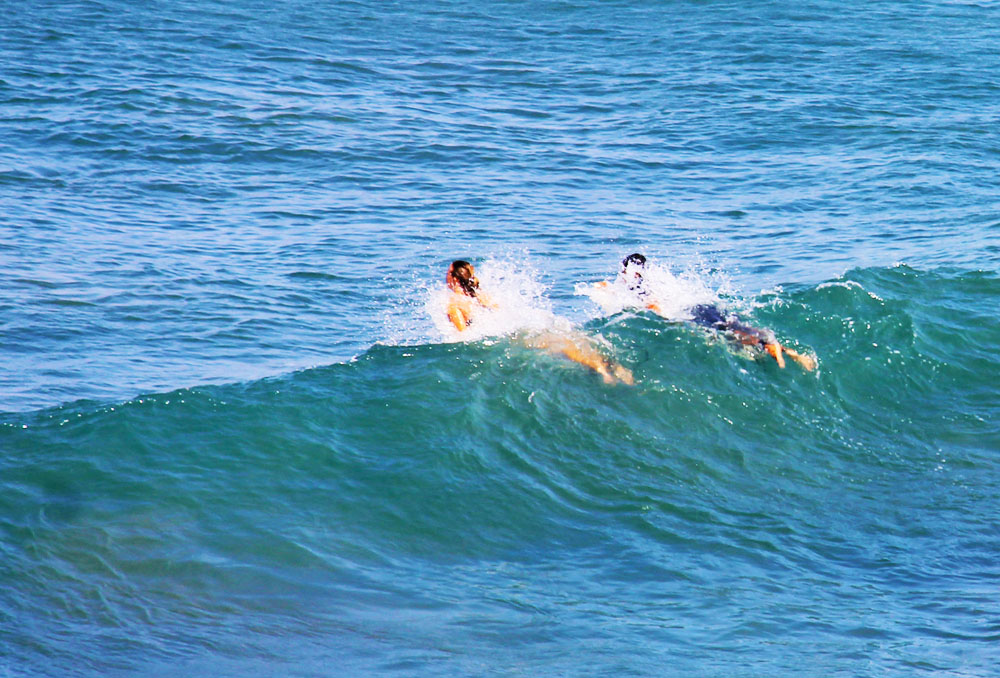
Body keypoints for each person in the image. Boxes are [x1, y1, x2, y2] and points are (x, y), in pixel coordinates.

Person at [605, 253, 816, 371]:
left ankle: (773, 347)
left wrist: (668, 321)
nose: (621, 274)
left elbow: (654, 305)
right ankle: (792, 353)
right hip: (703, 305)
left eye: (623, 270)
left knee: (730, 334)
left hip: (691, 312)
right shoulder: (657, 279)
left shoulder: (638, 287)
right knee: (733, 326)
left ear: (630, 271)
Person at [444, 260, 634, 384]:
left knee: (560, 347)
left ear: (453, 278)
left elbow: (465, 337)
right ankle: (615, 368)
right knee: (568, 342)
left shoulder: (454, 305)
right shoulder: (483, 295)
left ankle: (604, 373)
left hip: (511, 335)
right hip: (526, 325)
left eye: (447, 272)